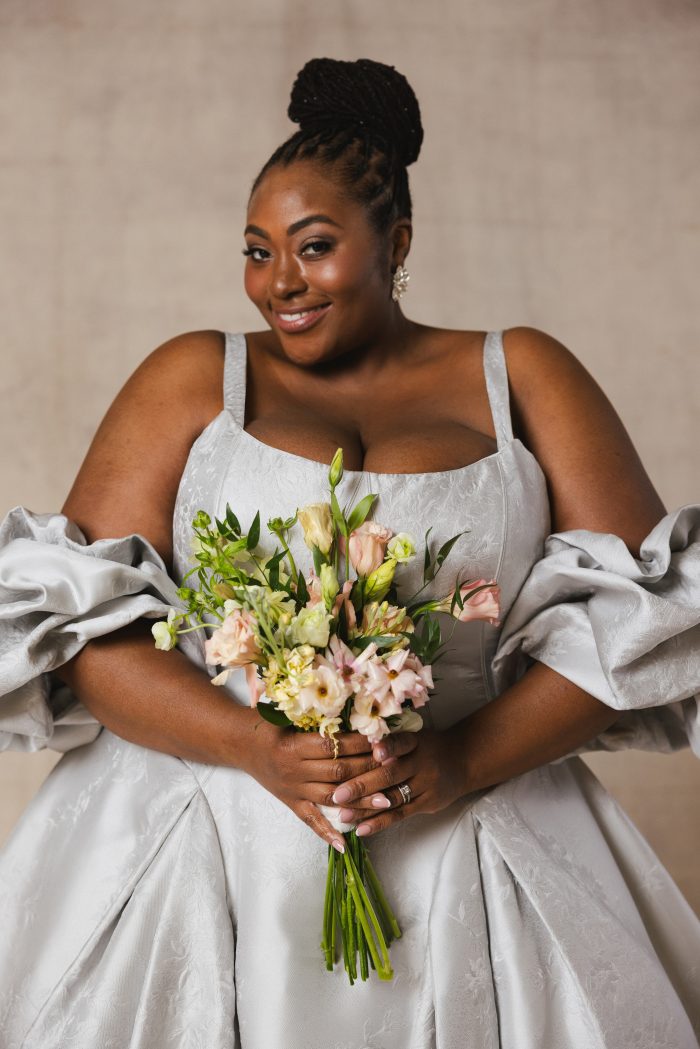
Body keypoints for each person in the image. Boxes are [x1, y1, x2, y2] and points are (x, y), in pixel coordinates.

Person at [0, 56, 699, 1049]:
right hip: (201, 823)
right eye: (257, 252)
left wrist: (462, 758)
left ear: (396, 242)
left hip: (473, 812)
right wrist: (253, 745)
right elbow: (79, 631)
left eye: (314, 247)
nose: (279, 282)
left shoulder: (524, 376)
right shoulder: (193, 375)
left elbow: (645, 624)